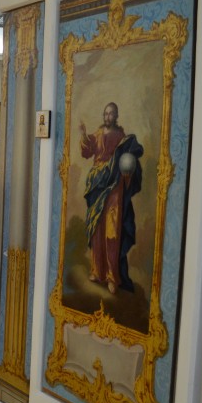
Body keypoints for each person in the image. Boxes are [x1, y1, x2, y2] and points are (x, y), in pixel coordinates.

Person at [78, 102, 144, 295]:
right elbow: (86, 152)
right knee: (97, 228)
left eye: (111, 113)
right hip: (97, 184)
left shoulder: (122, 138)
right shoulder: (98, 134)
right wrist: (83, 134)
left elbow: (128, 159)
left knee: (112, 231)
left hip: (114, 186)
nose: (108, 116)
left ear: (116, 116)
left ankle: (112, 276)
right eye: (106, 113)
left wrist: (127, 171)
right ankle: (97, 270)